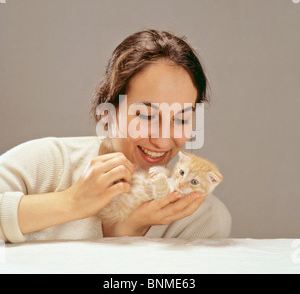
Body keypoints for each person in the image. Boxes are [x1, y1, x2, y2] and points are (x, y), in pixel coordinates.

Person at [0, 29, 231, 243]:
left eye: (181, 119)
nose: (162, 141)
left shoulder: (202, 218)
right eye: (146, 115)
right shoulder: (49, 164)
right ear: (108, 112)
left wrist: (129, 228)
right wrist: (72, 202)